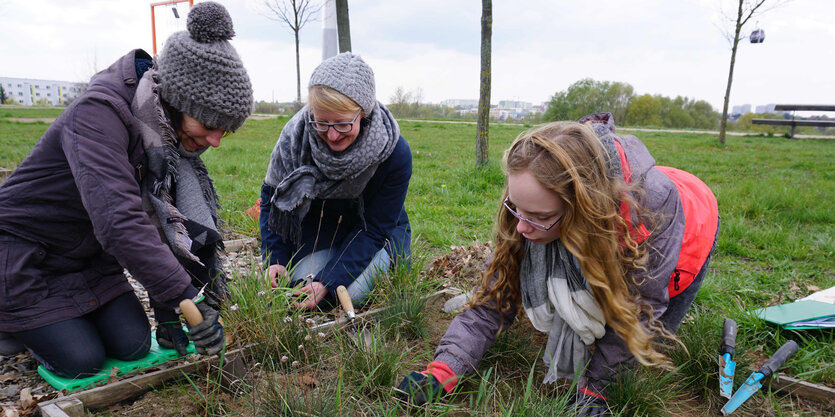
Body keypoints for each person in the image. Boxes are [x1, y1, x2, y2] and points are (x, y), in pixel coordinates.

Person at [396, 113, 719, 415]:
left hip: (690, 226)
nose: (521, 227)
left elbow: (642, 305)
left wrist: (598, 389)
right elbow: (495, 296)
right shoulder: (530, 204)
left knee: (646, 339)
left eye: (541, 216)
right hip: (597, 225)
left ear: (584, 206)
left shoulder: (650, 210)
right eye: (516, 208)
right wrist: (445, 369)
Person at [0, 2, 253, 378]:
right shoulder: (98, 114)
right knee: (81, 360)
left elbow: (158, 218)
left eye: (226, 130)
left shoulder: (158, 131)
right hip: (25, 255)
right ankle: (11, 321)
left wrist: (169, 312)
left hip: (86, 259)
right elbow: (119, 221)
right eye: (209, 124)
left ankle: (51, 322)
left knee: (133, 344)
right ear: (176, 100)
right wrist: (186, 296)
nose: (216, 141)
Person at [260, 52, 411, 310]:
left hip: (372, 237)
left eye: (342, 124)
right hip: (324, 230)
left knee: (347, 292)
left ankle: (383, 269)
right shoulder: (294, 139)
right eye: (321, 122)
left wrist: (328, 281)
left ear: (362, 113)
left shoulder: (394, 153)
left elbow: (374, 229)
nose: (331, 135)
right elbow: (272, 201)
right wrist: (275, 259)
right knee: (297, 284)